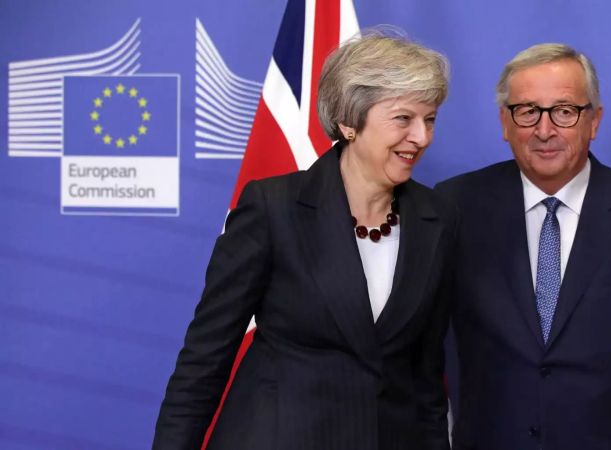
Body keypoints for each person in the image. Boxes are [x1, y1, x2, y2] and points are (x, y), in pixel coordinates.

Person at [153, 31, 455, 450]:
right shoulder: (273, 207)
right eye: (404, 119)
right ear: (349, 122)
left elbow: (426, 375)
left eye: (431, 119)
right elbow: (205, 358)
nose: (421, 137)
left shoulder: (435, 218)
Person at [435, 43, 611, 450]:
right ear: (504, 122)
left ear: (594, 120)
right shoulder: (454, 206)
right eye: (528, 111)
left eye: (564, 111)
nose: (544, 130)